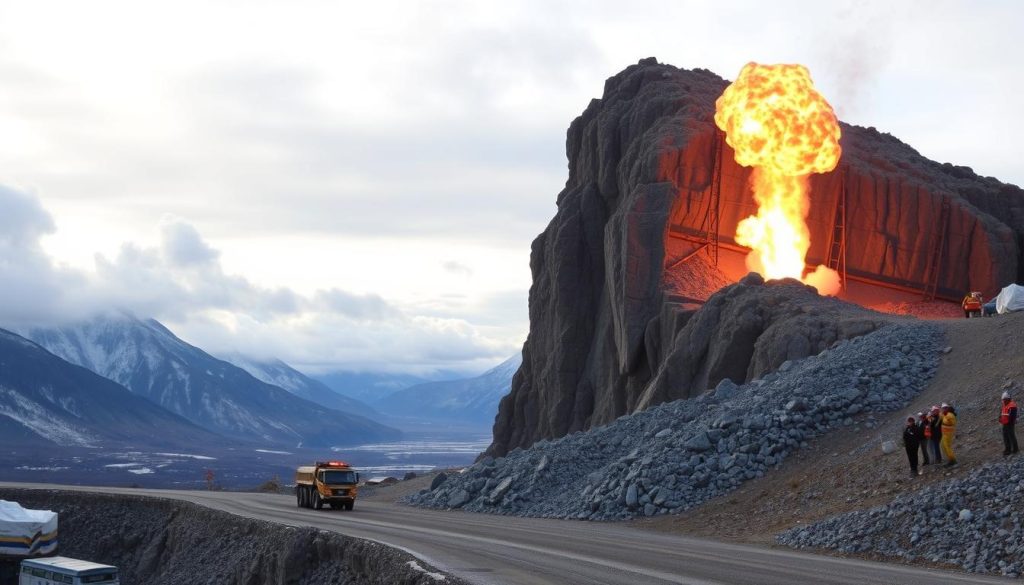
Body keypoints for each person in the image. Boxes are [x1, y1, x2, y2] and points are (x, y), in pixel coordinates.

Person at [1000, 391, 1019, 456]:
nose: (1003, 401)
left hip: (1009, 423)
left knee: (1011, 436)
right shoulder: (1005, 405)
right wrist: (1000, 418)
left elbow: (1013, 415)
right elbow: (1002, 412)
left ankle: (1015, 449)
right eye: (1003, 399)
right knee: (1005, 436)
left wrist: (1009, 421)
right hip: (1004, 423)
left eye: (1004, 399)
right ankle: (1007, 449)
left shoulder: (1012, 405)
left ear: (1008, 399)